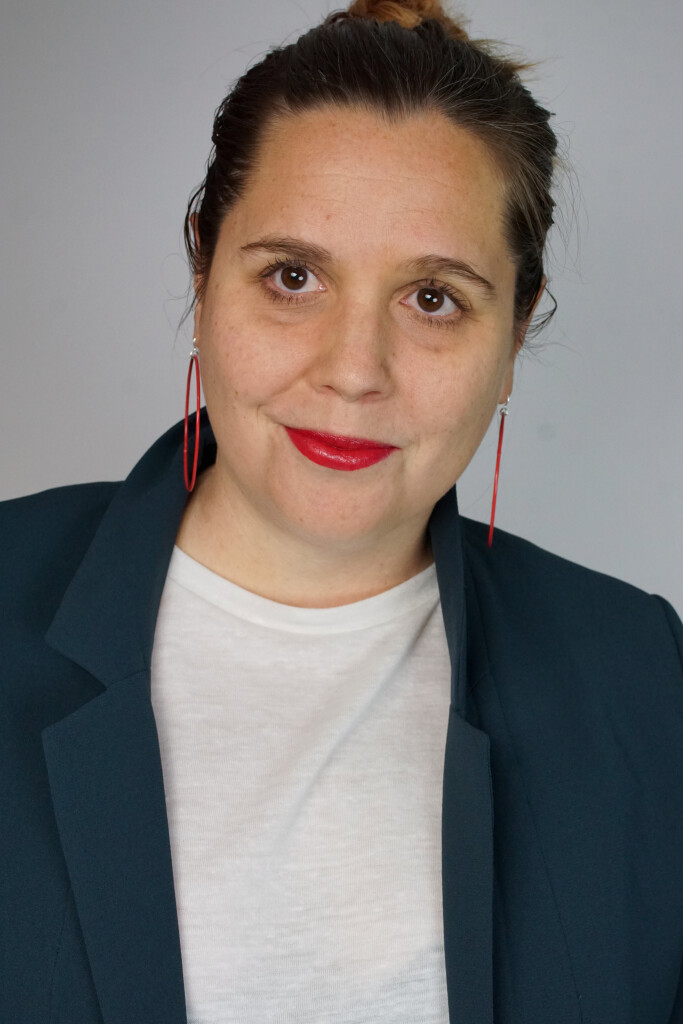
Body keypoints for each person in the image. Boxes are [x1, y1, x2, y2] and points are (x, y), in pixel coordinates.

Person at [2, 0, 682, 1021]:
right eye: (291, 276)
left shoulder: (638, 673)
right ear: (202, 265)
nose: (352, 372)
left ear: (516, 326)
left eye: (433, 298)